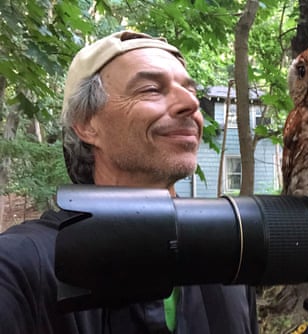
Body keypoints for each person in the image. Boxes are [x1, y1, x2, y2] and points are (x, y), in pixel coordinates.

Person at [0, 30, 258, 334]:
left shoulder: (227, 257)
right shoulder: (20, 267)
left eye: (190, 90)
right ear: (86, 124)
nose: (190, 103)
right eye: (151, 89)